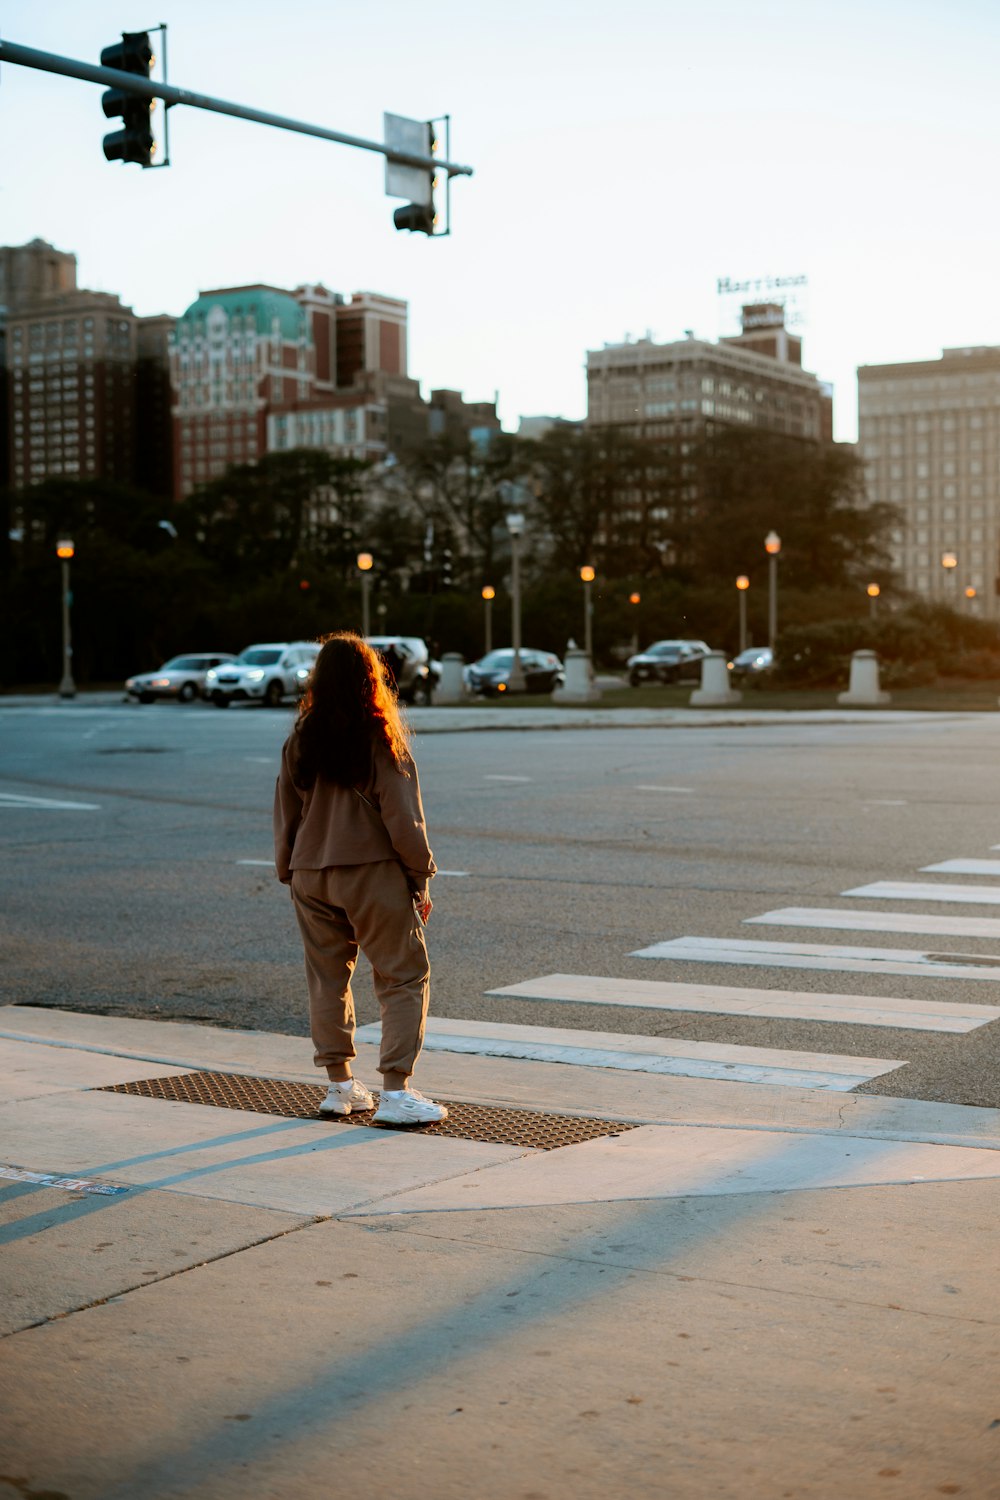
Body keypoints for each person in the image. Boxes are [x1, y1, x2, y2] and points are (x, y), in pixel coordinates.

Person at [273, 631, 446, 1126]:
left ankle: (340, 1087)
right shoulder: (380, 737)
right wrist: (420, 877)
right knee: (403, 975)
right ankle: (395, 1092)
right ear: (372, 679)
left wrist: (288, 867)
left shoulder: (301, 740)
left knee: (327, 980)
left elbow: (285, 809)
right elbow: (403, 818)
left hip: (310, 873)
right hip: (370, 871)